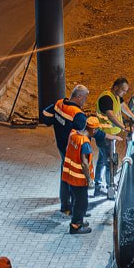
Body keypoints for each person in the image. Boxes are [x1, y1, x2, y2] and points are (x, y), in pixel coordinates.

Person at [39, 84, 88, 216]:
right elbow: (84, 131)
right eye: (85, 98)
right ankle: (72, 207)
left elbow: (45, 115)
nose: (85, 101)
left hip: (61, 146)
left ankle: (65, 204)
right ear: (78, 97)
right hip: (71, 150)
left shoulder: (59, 103)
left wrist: (56, 122)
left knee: (64, 175)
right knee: (72, 178)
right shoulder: (78, 114)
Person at [61, 112, 94, 235]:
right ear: (93, 129)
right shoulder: (85, 143)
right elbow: (85, 163)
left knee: (75, 200)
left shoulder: (73, 134)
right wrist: (89, 180)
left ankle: (79, 220)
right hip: (79, 179)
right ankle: (76, 226)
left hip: (69, 175)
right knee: (81, 203)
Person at [86, 116, 117, 199]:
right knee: (108, 163)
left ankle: (98, 187)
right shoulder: (86, 137)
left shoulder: (85, 132)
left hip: (103, 138)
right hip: (106, 138)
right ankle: (109, 187)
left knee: (101, 161)